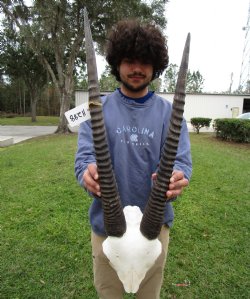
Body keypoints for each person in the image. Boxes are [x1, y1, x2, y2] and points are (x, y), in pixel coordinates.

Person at [75, 19, 192, 299]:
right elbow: (85, 157)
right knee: (109, 293)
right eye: (129, 60)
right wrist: (87, 173)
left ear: (155, 66)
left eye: (144, 61)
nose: (137, 69)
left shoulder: (169, 114)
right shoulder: (95, 108)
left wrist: (177, 176)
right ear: (117, 64)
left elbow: (181, 162)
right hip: (107, 228)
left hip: (154, 231)